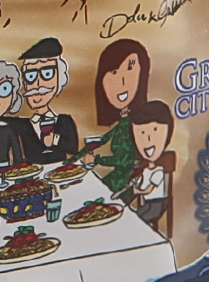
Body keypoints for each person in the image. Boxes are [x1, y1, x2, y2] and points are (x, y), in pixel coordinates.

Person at [82, 37, 152, 196]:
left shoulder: (135, 125)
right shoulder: (123, 123)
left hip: (127, 182)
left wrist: (97, 160)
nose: (122, 81)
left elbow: (124, 161)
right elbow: (105, 138)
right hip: (119, 179)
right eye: (114, 72)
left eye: (130, 69)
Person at [16, 37, 79, 163]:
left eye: (47, 73)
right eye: (31, 76)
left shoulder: (65, 121)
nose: (38, 83)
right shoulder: (22, 125)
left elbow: (73, 150)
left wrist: (55, 140)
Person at [124, 101, 175, 230]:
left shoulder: (158, 171)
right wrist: (134, 183)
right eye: (141, 133)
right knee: (132, 218)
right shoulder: (146, 169)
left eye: (155, 130)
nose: (148, 139)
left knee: (137, 222)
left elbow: (148, 189)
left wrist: (137, 191)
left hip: (157, 204)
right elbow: (141, 182)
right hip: (147, 203)